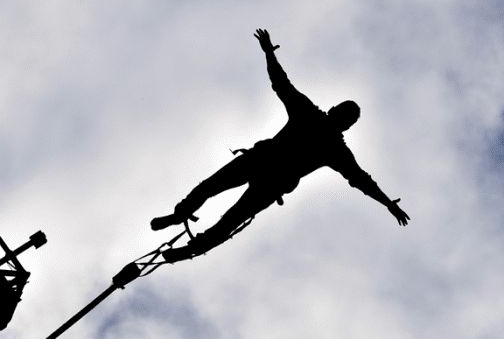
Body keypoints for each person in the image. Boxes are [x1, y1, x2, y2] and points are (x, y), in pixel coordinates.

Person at [152, 29, 409, 262]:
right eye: (343, 114)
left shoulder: (335, 147)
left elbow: (362, 180)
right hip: (261, 163)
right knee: (213, 191)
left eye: (346, 118)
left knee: (230, 215)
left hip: (271, 179)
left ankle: (192, 242)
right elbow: (282, 84)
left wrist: (387, 203)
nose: (342, 119)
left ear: (345, 125)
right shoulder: (312, 117)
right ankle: (181, 217)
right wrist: (269, 55)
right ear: (335, 113)